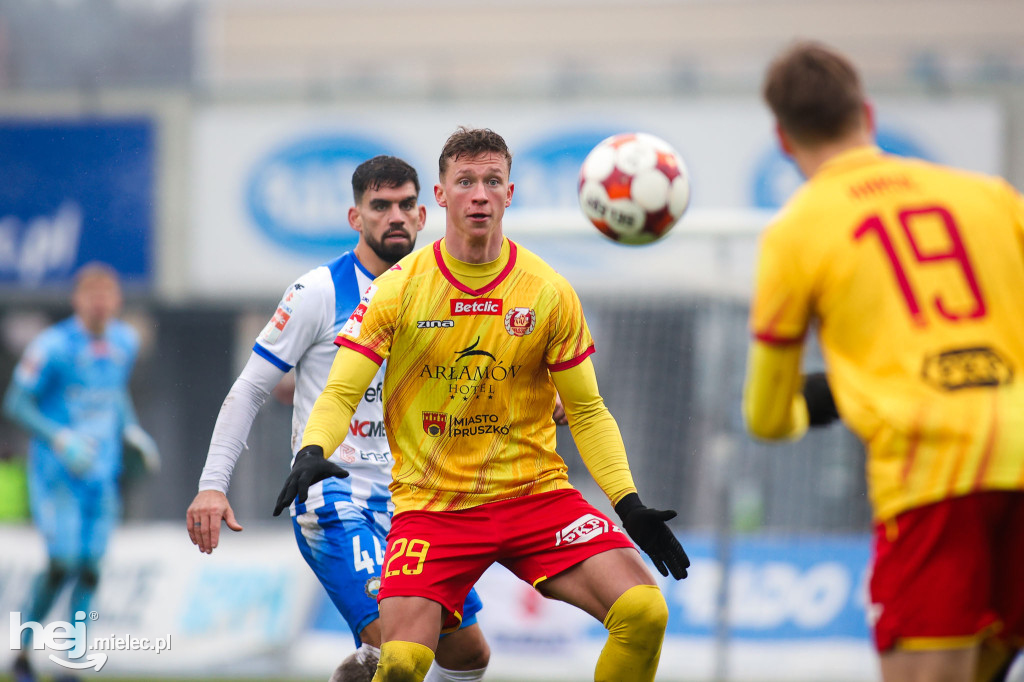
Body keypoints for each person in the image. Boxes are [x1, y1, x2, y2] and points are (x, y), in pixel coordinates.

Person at [274, 127, 690, 682]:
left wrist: (628, 504)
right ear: (441, 196)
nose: (479, 194)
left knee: (644, 611)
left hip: (534, 496)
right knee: (399, 663)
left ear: (509, 194)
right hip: (432, 507)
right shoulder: (398, 289)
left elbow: (587, 410)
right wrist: (311, 450)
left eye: (492, 181)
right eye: (465, 181)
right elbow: (342, 391)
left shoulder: (548, 291)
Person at [743, 41, 1024, 682]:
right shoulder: (993, 196)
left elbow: (764, 415)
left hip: (934, 473)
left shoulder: (798, 228)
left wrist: (823, 397)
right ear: (866, 113)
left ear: (784, 141)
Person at [186, 155, 491, 682]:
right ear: (357, 218)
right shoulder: (317, 292)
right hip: (335, 500)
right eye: (379, 206)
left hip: (416, 502)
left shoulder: (444, 294)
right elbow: (250, 389)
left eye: (403, 206)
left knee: (467, 656)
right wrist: (212, 486)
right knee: (401, 647)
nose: (393, 216)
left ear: (422, 216)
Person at [3, 262, 159, 682]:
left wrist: (130, 429)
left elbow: (113, 394)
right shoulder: (51, 347)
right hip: (58, 474)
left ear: (117, 302)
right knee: (62, 562)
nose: (101, 304)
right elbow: (16, 404)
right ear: (77, 300)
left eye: (108, 296)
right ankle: (23, 649)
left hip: (101, 473)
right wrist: (59, 439)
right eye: (93, 296)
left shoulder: (124, 341)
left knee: (90, 566)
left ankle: (72, 658)